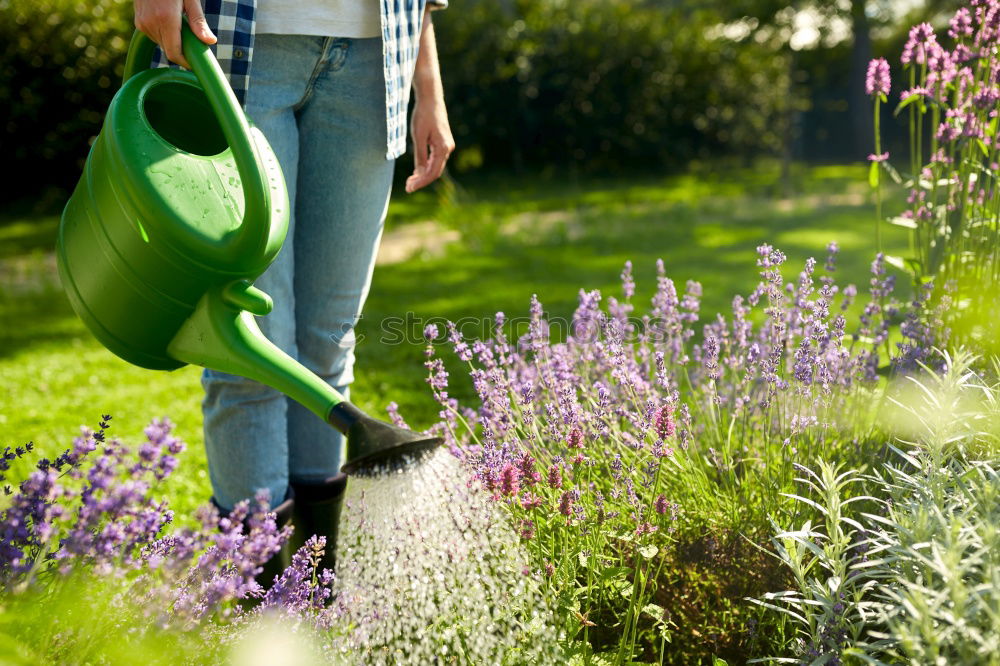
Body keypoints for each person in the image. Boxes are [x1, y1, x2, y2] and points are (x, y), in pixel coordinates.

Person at [133, 0, 455, 580]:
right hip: (234, 47)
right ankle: (260, 602)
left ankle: (314, 588)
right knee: (249, 347)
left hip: (374, 59)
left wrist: (428, 90)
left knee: (327, 341)